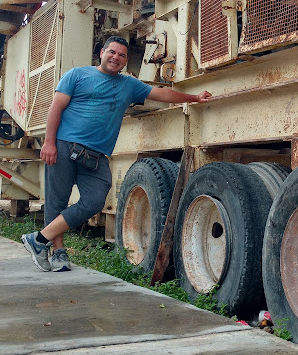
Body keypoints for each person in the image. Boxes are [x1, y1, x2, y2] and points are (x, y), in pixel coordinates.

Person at [22, 36, 211, 272]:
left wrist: (193, 98)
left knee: (95, 200)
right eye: (112, 52)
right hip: (64, 146)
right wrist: (48, 143)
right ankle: (58, 253)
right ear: (102, 52)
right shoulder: (77, 75)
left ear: (125, 61)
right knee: (57, 201)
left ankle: (38, 240)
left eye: (122, 56)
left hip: (96, 155)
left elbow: (160, 94)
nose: (116, 58)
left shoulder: (129, 85)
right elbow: (56, 108)